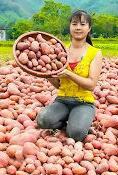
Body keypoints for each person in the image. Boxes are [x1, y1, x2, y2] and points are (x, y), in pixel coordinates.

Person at [35, 10, 103, 141]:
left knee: (76, 134)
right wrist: (47, 75)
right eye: (74, 24)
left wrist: (70, 75)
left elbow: (91, 85)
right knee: (42, 121)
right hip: (62, 101)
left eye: (83, 24)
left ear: (89, 28)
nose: (78, 27)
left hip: (83, 103)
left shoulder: (95, 53)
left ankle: (78, 119)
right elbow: (58, 85)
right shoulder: (60, 51)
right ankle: (68, 118)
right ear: (70, 27)